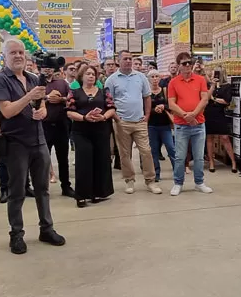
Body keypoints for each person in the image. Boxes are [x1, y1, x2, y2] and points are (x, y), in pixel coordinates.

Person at [0, 39, 66, 254]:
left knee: (43, 189)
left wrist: (42, 110)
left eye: (21, 52)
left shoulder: (33, 78)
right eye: (13, 52)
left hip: (39, 140)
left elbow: (41, 104)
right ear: (4, 56)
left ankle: (46, 228)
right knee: (17, 191)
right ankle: (16, 234)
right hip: (16, 143)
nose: (18, 56)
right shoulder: (0, 80)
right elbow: (7, 111)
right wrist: (29, 97)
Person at [106, 51, 160, 194]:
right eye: (125, 59)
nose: (128, 61)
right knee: (125, 154)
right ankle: (129, 180)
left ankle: (150, 181)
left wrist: (147, 115)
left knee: (146, 151)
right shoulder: (111, 80)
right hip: (121, 122)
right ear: (119, 61)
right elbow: (108, 101)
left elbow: (147, 97)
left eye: (130, 59)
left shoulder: (141, 77)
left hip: (140, 121)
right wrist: (116, 117)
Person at [67, 65, 116, 207]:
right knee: (83, 161)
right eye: (88, 74)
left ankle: (98, 192)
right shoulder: (74, 92)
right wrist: (84, 117)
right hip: (81, 131)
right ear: (81, 76)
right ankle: (81, 195)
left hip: (101, 130)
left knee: (101, 161)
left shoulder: (103, 91)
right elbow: (69, 112)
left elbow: (111, 108)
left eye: (93, 74)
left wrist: (104, 117)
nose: (91, 76)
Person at [167, 52, 212, 196]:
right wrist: (186, 116)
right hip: (181, 125)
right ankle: (178, 183)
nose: (187, 66)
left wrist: (193, 114)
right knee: (180, 156)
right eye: (184, 63)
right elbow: (171, 103)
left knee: (198, 156)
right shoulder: (173, 82)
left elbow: (204, 99)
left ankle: (199, 182)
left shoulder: (200, 80)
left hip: (199, 124)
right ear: (179, 66)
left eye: (189, 63)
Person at [42, 64, 74, 198]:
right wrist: (47, 98)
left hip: (61, 124)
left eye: (49, 67)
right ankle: (43, 188)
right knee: (43, 159)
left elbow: (71, 99)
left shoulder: (62, 83)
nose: (47, 70)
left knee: (63, 158)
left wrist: (61, 99)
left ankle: (66, 186)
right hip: (44, 126)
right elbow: (31, 99)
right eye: (44, 67)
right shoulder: (36, 82)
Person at [204, 66, 236, 173]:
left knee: (225, 137)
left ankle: (233, 162)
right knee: (209, 138)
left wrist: (213, 98)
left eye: (216, 73)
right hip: (208, 113)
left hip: (220, 113)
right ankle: (212, 162)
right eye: (212, 73)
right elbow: (205, 99)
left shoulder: (226, 86)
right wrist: (212, 86)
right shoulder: (208, 85)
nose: (213, 75)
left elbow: (227, 101)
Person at [146, 70, 175, 183]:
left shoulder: (164, 91)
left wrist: (164, 106)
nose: (154, 79)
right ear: (148, 79)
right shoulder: (147, 93)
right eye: (152, 77)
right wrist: (154, 110)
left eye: (156, 76)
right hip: (152, 125)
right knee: (153, 151)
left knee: (171, 148)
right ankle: (156, 173)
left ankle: (177, 170)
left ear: (159, 78)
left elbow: (171, 105)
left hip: (165, 125)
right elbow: (145, 108)